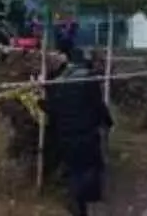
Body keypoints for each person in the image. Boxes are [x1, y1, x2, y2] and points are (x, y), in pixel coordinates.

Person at [43, 48, 113, 216]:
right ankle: (84, 200)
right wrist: (107, 121)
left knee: (75, 170)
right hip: (86, 132)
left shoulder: (56, 82)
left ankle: (78, 203)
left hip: (66, 134)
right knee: (91, 168)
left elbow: (52, 110)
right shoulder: (88, 78)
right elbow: (98, 105)